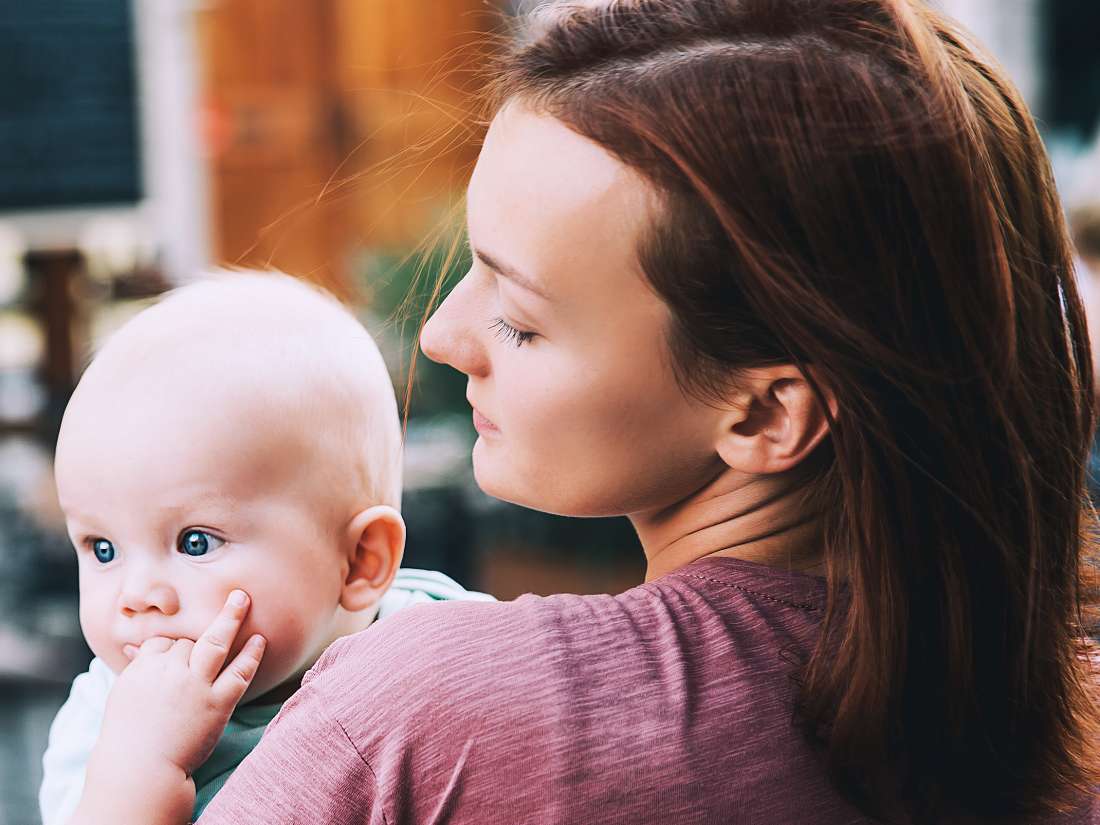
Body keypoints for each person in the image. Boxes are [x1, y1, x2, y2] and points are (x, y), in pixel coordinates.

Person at [68, 0, 1100, 822]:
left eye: (517, 319)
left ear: (766, 414)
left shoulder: (426, 713)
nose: (440, 338)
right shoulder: (1051, 712)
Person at [41, 272, 491, 823]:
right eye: (103, 548)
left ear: (360, 561)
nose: (137, 596)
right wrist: (140, 768)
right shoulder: (106, 717)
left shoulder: (448, 650)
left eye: (195, 542)